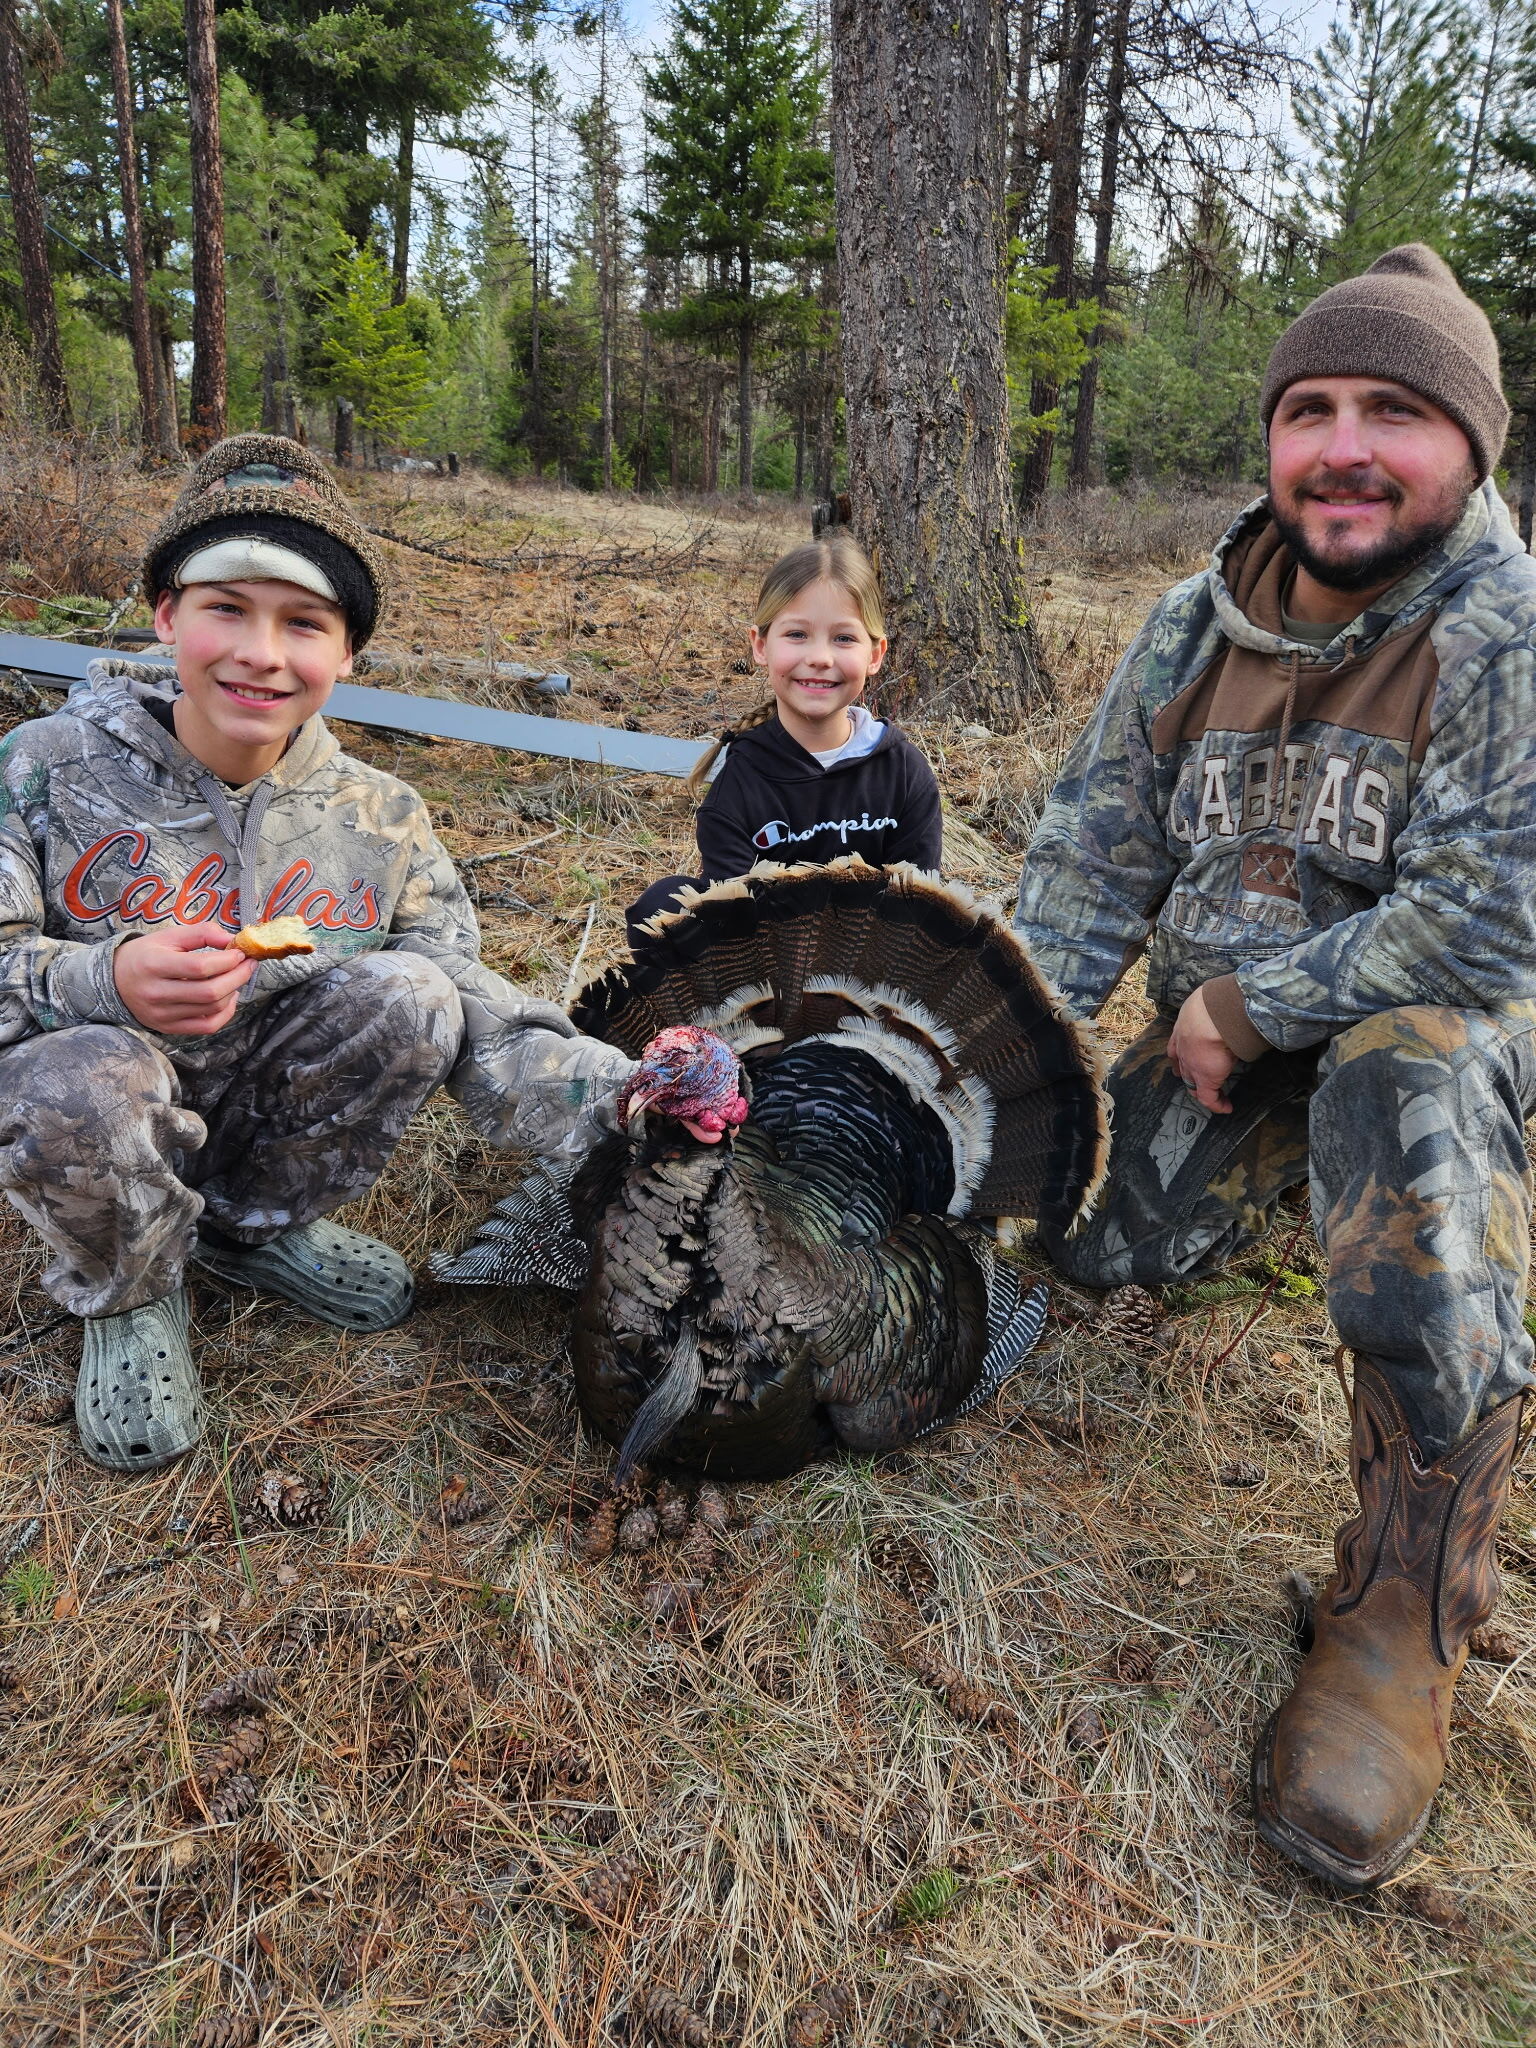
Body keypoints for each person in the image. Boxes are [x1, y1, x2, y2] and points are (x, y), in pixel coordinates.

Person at [1013, 246, 1536, 1891]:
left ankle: (1402, 1612)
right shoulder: (1195, 625)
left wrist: (1243, 1006)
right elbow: (1087, 871)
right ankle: (1328, 1217)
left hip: (1449, 1050)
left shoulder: (1502, 633)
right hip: (1239, 1058)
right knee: (1094, 1237)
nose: (1345, 446)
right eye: (1309, 408)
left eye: (1398, 410)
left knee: (1404, 1071)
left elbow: (1483, 928)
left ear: (1472, 447)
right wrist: (993, 1058)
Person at [0, 434, 634, 1477]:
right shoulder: (45, 768)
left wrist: (621, 1094)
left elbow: (471, 1000)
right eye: (226, 609)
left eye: (304, 623)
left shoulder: (381, 818)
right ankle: (133, 1289)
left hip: (266, 1108)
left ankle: (254, 1231)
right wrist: (98, 977)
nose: (261, 651)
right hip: (105, 1112)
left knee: (415, 992)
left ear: (349, 654)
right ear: (167, 614)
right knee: (84, 1073)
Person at [624, 534, 942, 945]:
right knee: (662, 908)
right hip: (767, 973)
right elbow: (735, 923)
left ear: (875, 654)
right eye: (796, 634)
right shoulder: (742, 782)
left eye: (844, 638)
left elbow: (920, 907)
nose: (820, 657)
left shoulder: (904, 772)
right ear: (760, 646)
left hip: (874, 971)